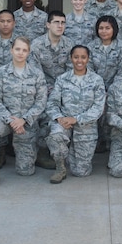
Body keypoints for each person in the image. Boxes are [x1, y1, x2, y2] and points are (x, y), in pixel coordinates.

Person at [0, 37, 48, 187]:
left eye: (24, 50)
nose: (20, 53)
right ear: (11, 50)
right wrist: (10, 119)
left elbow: (41, 101)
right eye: (17, 49)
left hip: (26, 123)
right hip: (4, 119)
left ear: (29, 52)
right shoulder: (1, 73)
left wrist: (23, 119)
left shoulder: (36, 74)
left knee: (25, 171)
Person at [46, 45, 106, 183]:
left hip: (86, 126)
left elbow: (98, 108)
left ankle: (72, 155)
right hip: (64, 122)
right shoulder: (62, 79)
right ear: (71, 58)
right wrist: (60, 118)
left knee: (81, 171)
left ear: (88, 59)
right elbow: (52, 103)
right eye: (76, 57)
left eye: (83, 57)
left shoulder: (97, 80)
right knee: (55, 135)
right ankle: (60, 167)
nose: (79, 60)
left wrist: (76, 119)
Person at [29, 10, 76, 169]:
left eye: (63, 23)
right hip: (42, 88)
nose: (60, 25)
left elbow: (71, 71)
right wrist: (48, 90)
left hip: (64, 88)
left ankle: (63, 147)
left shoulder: (69, 44)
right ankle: (42, 150)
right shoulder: (36, 45)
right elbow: (35, 73)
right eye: (56, 22)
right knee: (43, 112)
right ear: (48, 24)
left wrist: (60, 90)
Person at [88, 15, 122, 88]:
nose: (104, 31)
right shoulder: (90, 47)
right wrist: (99, 88)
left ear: (114, 29)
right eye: (101, 28)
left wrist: (112, 89)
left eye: (107, 28)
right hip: (94, 87)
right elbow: (89, 69)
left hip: (117, 88)